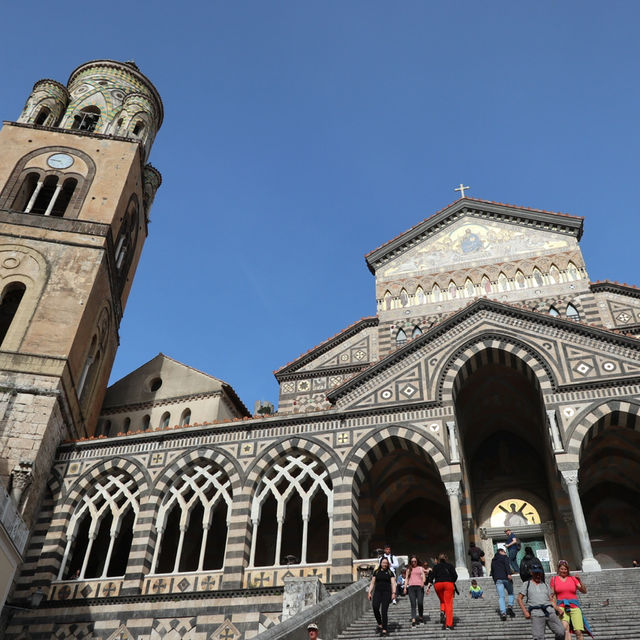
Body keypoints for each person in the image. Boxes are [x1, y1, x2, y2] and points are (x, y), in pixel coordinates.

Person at [517, 563, 565, 640]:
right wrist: (525, 611)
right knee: (538, 637)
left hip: (550, 611)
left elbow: (551, 600)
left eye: (539, 573)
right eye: (536, 573)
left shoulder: (545, 585)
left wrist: (558, 609)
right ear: (531, 573)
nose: (538, 575)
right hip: (536, 613)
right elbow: (519, 598)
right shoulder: (527, 584)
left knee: (561, 632)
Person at [550, 560, 592, 640]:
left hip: (574, 606)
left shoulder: (573, 579)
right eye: (562, 569)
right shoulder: (554, 579)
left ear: (568, 570)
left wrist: (580, 581)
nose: (563, 571)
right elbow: (552, 595)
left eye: (565, 569)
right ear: (558, 569)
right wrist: (556, 607)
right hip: (561, 606)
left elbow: (584, 591)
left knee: (578, 631)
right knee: (565, 629)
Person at [368, 556, 396, 635]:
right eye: (383, 563)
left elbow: (393, 583)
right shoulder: (376, 572)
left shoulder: (390, 572)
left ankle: (384, 629)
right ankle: (379, 623)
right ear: (380, 563)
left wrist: (393, 593)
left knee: (384, 611)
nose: (385, 564)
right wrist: (369, 592)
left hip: (387, 593)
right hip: (377, 592)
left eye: (386, 563)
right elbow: (372, 583)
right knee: (375, 607)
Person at [430, 552, 458, 630]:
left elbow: (432, 576)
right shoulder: (450, 565)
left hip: (438, 585)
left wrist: (429, 584)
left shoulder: (436, 566)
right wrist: (452, 581)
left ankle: (442, 610)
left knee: (443, 600)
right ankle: (448, 624)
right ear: (446, 559)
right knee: (448, 603)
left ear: (439, 559)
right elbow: (455, 576)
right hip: (448, 584)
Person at [490, 547, 515, 621]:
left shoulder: (493, 560)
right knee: (510, 593)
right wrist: (509, 574)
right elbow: (507, 566)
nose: (505, 553)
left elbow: (492, 571)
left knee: (501, 597)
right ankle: (510, 606)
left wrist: (495, 580)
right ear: (500, 551)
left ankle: (503, 613)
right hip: (506, 578)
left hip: (498, 580)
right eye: (504, 551)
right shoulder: (505, 557)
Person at [403, 555, 426, 626]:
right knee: (413, 604)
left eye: (415, 561)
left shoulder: (420, 568)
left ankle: (421, 617)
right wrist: (404, 587)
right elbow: (406, 578)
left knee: (420, 602)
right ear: (410, 562)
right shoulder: (408, 569)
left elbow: (424, 577)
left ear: (417, 561)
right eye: (412, 561)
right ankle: (413, 619)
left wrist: (423, 582)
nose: (413, 563)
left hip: (419, 587)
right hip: (411, 588)